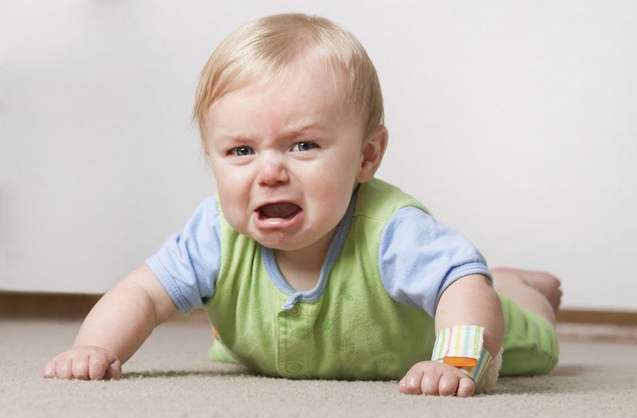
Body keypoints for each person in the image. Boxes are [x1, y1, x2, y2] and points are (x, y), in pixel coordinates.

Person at [43, 13, 563, 397]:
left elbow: (461, 286)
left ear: (366, 157)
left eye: (302, 145)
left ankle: (521, 287)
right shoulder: (215, 234)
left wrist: (455, 361)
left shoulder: (393, 231)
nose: (270, 171)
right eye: (241, 151)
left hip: (477, 326)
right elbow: (143, 293)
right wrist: (95, 348)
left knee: (507, 307)